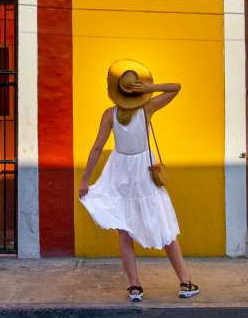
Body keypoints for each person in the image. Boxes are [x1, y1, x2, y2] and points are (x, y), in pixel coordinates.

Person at [78, 59, 199, 302]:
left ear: (116, 91)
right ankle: (185, 281)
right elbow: (176, 87)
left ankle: (135, 287)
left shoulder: (110, 114)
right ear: (136, 90)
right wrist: (149, 89)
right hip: (141, 171)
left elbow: (96, 148)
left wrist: (85, 179)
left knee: (124, 233)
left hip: (120, 172)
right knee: (164, 227)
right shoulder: (147, 109)